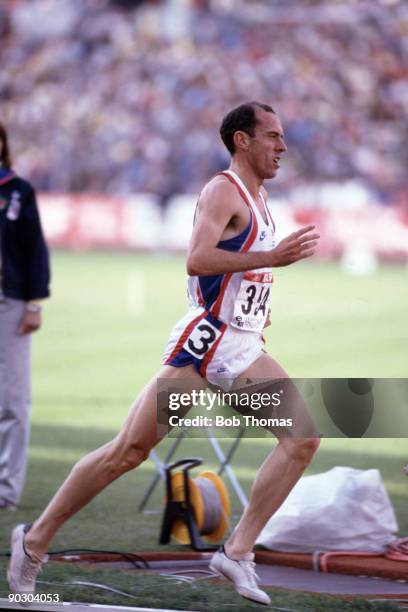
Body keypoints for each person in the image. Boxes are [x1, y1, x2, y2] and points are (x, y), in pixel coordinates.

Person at [8, 101, 320, 605]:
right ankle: (34, 542)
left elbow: (240, 276)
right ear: (242, 140)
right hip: (205, 347)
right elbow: (197, 259)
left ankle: (236, 552)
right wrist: (272, 257)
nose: (283, 146)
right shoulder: (223, 189)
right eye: (273, 136)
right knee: (128, 453)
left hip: (240, 349)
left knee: (302, 440)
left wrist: (257, 301)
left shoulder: (261, 198)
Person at [0, 121, 50, 511]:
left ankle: (5, 490)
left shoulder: (17, 191)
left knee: (13, 400)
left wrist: (34, 301)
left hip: (9, 299)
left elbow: (35, 249)